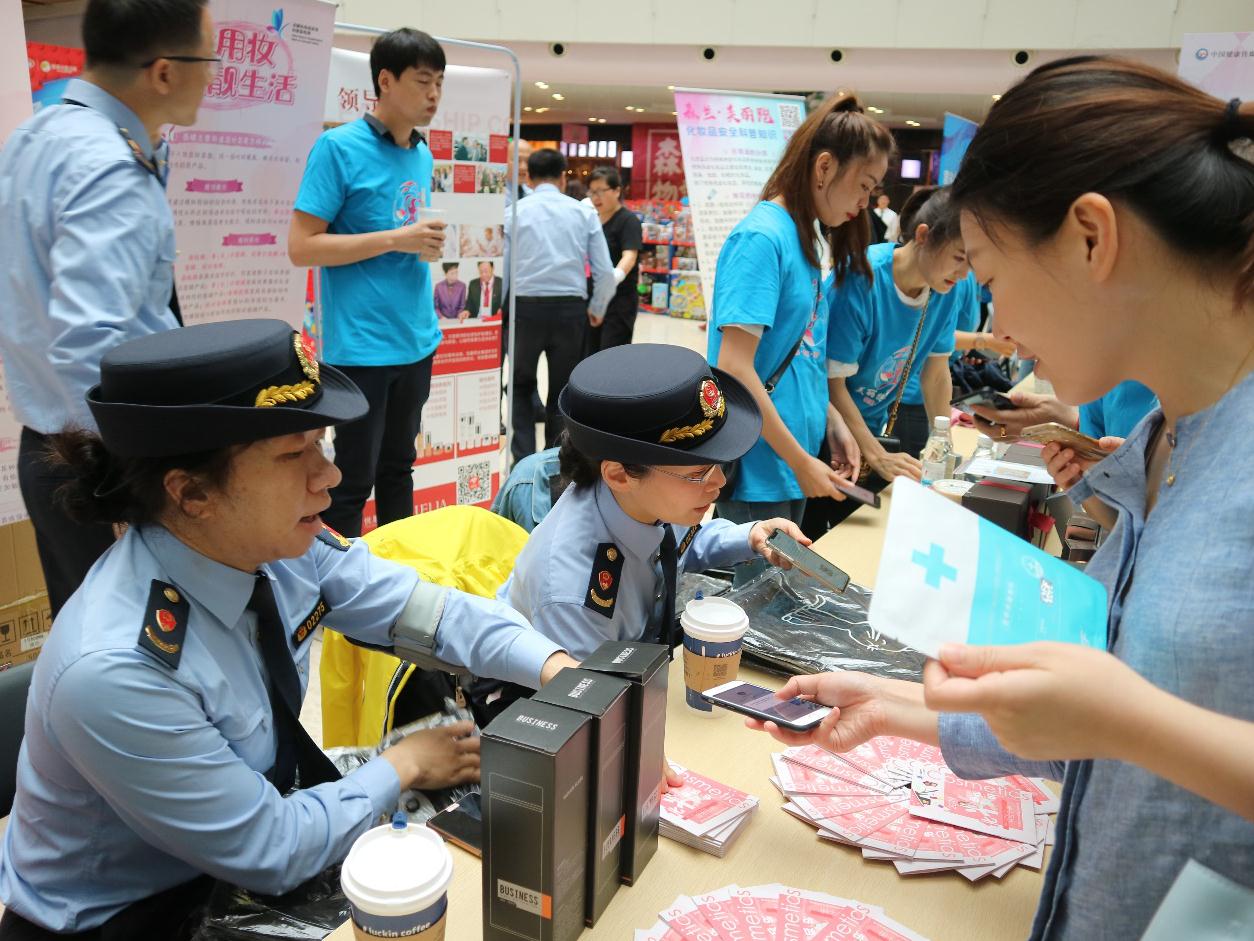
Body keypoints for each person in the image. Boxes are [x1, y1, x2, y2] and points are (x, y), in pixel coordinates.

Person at [748, 57, 1254, 938]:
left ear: (1091, 238)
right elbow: (1113, 732)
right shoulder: (1163, 437)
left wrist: (1130, 721)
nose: (999, 326)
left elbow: (1131, 722)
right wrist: (903, 711)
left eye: (989, 276)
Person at [0, 320, 578, 939]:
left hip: (242, 855)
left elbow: (424, 613)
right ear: (191, 493)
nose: (328, 476)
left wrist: (555, 667)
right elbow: (270, 848)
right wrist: (404, 763)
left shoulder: (276, 548)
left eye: (320, 445)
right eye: (292, 455)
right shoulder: (118, 667)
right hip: (138, 916)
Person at [0, 0, 216, 617]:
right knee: (148, 650)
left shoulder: (36, 136)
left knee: (87, 640)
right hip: (105, 462)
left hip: (50, 447)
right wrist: (122, 484)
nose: (212, 77)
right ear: (165, 71)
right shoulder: (109, 168)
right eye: (208, 61)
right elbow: (89, 342)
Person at [500, 343, 808, 662]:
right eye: (699, 473)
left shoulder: (644, 499)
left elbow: (677, 545)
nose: (719, 481)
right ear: (619, 475)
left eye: (719, 465)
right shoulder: (573, 592)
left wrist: (750, 536)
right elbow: (589, 689)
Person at [288, 28, 447, 537]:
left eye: (439, 83)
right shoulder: (337, 148)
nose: (433, 94)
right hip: (360, 346)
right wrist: (397, 239)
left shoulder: (420, 153)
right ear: (385, 80)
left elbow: (403, 234)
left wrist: (418, 244)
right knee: (352, 479)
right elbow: (302, 246)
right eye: (423, 81)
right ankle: (340, 579)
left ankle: (397, 574)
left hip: (416, 339)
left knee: (399, 469)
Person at [708, 93, 893, 528]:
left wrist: (832, 422)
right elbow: (734, 368)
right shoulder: (761, 239)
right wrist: (798, 461)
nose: (865, 202)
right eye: (864, 185)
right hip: (759, 468)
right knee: (760, 575)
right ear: (824, 167)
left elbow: (796, 354)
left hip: (791, 462)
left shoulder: (802, 238)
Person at [814, 186, 971, 530]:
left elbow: (936, 374)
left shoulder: (946, 289)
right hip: (820, 433)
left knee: (857, 534)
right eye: (959, 258)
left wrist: (943, 445)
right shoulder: (862, 276)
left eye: (971, 263)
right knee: (812, 536)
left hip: (868, 432)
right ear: (923, 236)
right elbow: (831, 383)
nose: (964, 274)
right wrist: (877, 454)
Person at [504, 147, 615, 462]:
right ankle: (555, 461)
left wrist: (502, 309)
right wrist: (596, 307)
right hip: (570, 310)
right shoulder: (583, 213)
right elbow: (605, 272)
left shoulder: (514, 213)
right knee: (562, 388)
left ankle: (523, 460)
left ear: (529, 177)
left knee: (520, 384)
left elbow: (505, 269)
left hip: (524, 309)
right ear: (563, 178)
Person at [586, 167, 644, 352]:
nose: (596, 197)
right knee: (589, 353)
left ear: (617, 190)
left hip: (619, 301)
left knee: (611, 354)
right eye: (592, 192)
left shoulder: (628, 221)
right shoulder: (592, 220)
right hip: (593, 298)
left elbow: (630, 256)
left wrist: (614, 278)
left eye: (601, 191)